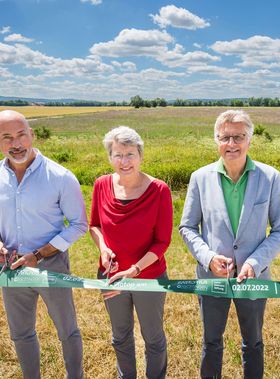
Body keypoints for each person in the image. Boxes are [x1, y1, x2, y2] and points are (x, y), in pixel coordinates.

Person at [179, 109, 280, 379]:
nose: (231, 144)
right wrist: (207, 257)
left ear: (249, 140)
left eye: (238, 136)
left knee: (253, 342)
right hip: (211, 277)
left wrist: (254, 261)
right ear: (216, 140)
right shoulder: (200, 177)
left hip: (254, 277)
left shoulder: (270, 177)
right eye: (225, 137)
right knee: (211, 342)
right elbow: (187, 227)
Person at [0, 110, 88, 379]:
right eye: (7, 137)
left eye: (21, 135)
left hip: (52, 265)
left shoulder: (60, 176)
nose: (16, 144)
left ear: (32, 135)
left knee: (67, 330)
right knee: (21, 333)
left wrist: (39, 254)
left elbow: (79, 224)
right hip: (11, 269)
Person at [89, 126, 172, 379]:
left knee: (153, 336)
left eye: (130, 154)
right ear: (110, 157)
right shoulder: (101, 185)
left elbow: (162, 242)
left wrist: (135, 269)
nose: (124, 161)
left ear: (140, 155)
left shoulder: (159, 190)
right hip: (111, 278)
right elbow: (94, 225)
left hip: (148, 278)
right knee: (120, 335)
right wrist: (103, 248)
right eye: (117, 155)